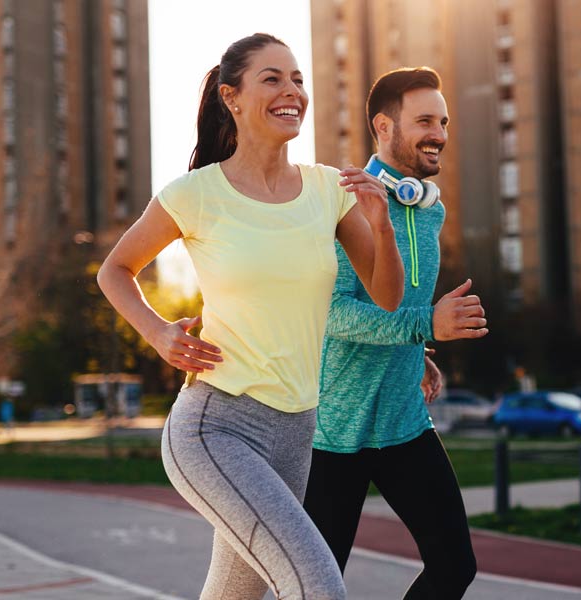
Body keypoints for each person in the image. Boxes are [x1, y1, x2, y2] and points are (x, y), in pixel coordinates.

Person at [97, 33, 404, 600]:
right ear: (231, 97)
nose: (292, 92)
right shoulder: (194, 194)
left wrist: (380, 224)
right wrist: (159, 332)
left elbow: (386, 296)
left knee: (236, 596)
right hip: (216, 426)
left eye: (298, 80)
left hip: (296, 430)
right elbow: (115, 270)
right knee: (317, 586)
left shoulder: (328, 190)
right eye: (273, 79)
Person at [303, 67, 487, 599]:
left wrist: (418, 346)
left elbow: (396, 302)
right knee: (317, 586)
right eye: (425, 120)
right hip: (334, 431)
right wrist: (424, 323)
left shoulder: (430, 211)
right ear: (384, 126)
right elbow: (331, 314)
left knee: (455, 566)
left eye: (444, 121)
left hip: (405, 422)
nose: (440, 133)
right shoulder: (342, 204)